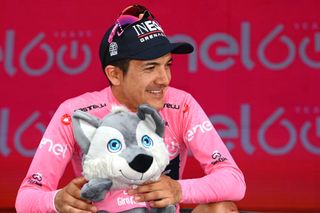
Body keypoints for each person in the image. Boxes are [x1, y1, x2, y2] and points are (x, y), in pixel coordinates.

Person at [15, 4, 246, 213]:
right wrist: (56, 201)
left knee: (223, 209)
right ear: (114, 74)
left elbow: (234, 180)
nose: (164, 79)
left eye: (168, 64)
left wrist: (179, 190)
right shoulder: (74, 113)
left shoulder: (182, 105)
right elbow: (26, 197)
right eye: (150, 68)